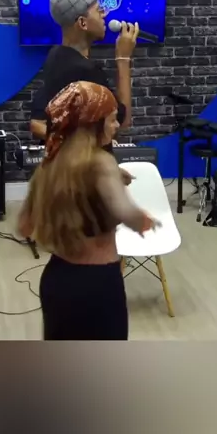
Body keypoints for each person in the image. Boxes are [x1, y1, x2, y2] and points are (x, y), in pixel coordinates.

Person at [18, 80, 159, 340]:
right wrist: (143, 221)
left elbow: (24, 226)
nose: (116, 126)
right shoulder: (101, 163)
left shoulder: (50, 165)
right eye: (112, 120)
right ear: (93, 123)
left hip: (56, 279)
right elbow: (124, 211)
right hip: (97, 286)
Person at [29, 0, 138, 144]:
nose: (105, 14)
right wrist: (123, 58)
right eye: (99, 10)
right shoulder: (86, 71)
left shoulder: (55, 56)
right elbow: (122, 121)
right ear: (82, 23)